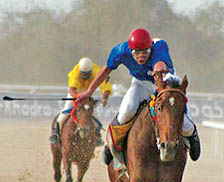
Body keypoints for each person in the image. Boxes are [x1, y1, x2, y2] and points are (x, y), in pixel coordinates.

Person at [76, 28, 200, 171]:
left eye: (145, 52)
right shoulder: (120, 51)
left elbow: (159, 66)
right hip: (141, 83)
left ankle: (193, 136)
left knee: (181, 122)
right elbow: (106, 70)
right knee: (126, 112)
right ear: (130, 50)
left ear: (150, 48)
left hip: (164, 83)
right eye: (137, 52)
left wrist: (159, 81)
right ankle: (112, 141)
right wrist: (90, 90)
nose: (141, 56)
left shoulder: (160, 47)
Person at [49, 57, 112, 146]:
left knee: (94, 116)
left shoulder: (97, 71)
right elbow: (71, 90)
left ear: (91, 71)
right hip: (75, 94)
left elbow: (105, 86)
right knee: (65, 112)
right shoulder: (75, 72)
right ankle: (56, 133)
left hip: (87, 94)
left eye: (87, 74)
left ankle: (97, 136)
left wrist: (105, 97)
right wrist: (77, 96)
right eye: (83, 74)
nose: (85, 76)